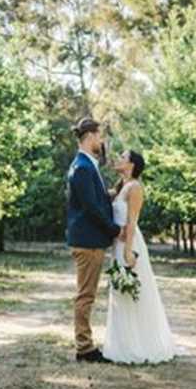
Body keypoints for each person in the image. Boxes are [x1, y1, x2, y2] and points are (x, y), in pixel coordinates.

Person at [102, 150, 177, 364]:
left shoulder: (135, 188)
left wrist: (128, 250)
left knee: (134, 291)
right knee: (119, 292)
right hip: (118, 244)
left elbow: (132, 221)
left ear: (132, 165)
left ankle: (140, 344)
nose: (118, 159)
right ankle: (122, 343)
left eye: (123, 157)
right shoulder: (120, 187)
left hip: (130, 243)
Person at [65, 117, 126, 363]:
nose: (101, 141)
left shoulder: (88, 165)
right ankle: (84, 348)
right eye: (99, 136)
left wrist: (123, 186)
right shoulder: (82, 167)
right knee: (86, 295)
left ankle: (85, 345)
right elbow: (91, 207)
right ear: (90, 136)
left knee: (87, 293)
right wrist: (114, 230)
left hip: (90, 241)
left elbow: (97, 199)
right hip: (88, 242)